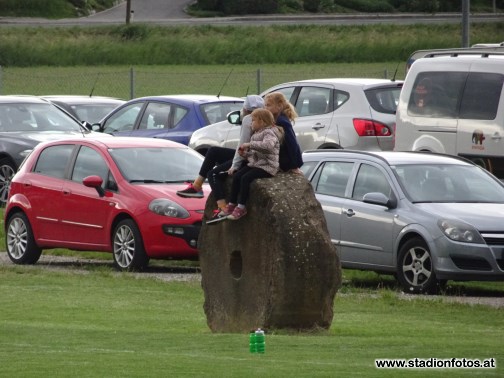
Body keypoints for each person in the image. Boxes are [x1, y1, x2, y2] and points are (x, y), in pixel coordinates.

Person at [177, 95, 264, 209]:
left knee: (212, 174)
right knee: (213, 151)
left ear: (246, 109)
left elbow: (242, 145)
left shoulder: (248, 119)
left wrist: (234, 165)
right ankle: (197, 185)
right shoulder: (265, 118)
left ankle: (223, 208)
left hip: (248, 158)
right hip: (254, 156)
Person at [220, 108, 284, 221]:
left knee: (246, 178)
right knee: (238, 176)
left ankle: (241, 207)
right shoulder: (256, 134)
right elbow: (255, 154)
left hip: (268, 166)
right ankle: (232, 204)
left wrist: (249, 144)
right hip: (257, 164)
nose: (251, 123)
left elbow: (268, 146)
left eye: (253, 120)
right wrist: (245, 154)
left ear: (262, 121)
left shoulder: (270, 132)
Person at [263, 92, 303, 174]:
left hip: (286, 162)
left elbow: (292, 144)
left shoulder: (282, 122)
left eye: (269, 105)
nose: (266, 108)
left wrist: (294, 166)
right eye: (265, 105)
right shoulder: (276, 119)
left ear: (279, 106)